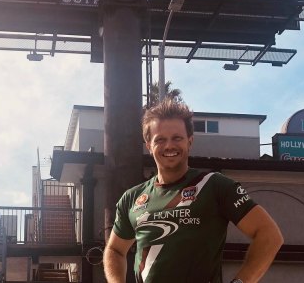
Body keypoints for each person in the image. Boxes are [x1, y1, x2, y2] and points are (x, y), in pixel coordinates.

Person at [103, 99, 283, 283]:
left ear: (190, 141)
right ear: (149, 145)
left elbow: (269, 234)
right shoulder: (132, 198)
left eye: (177, 138)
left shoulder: (214, 185)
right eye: (160, 139)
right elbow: (115, 250)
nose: (169, 146)